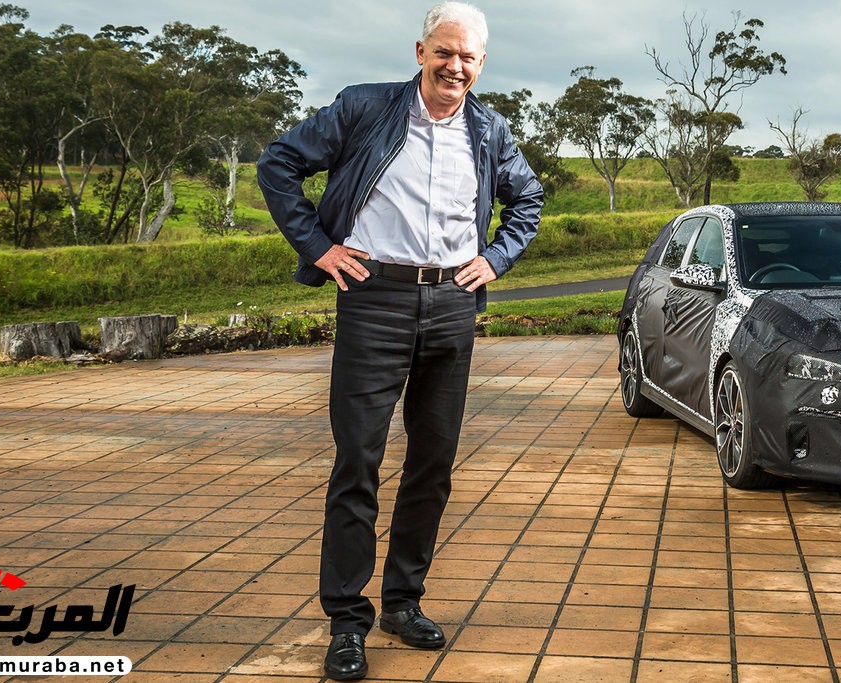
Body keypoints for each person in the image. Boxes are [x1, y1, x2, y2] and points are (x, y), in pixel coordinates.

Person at [256, 3, 542, 679]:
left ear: (481, 64)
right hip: (373, 298)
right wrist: (318, 246)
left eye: (468, 57)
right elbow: (278, 163)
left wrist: (496, 258)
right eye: (445, 52)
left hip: (452, 305)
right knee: (358, 460)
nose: (455, 66)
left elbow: (527, 199)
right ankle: (346, 621)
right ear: (420, 52)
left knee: (433, 463)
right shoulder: (366, 108)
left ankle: (403, 602)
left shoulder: (489, 129)